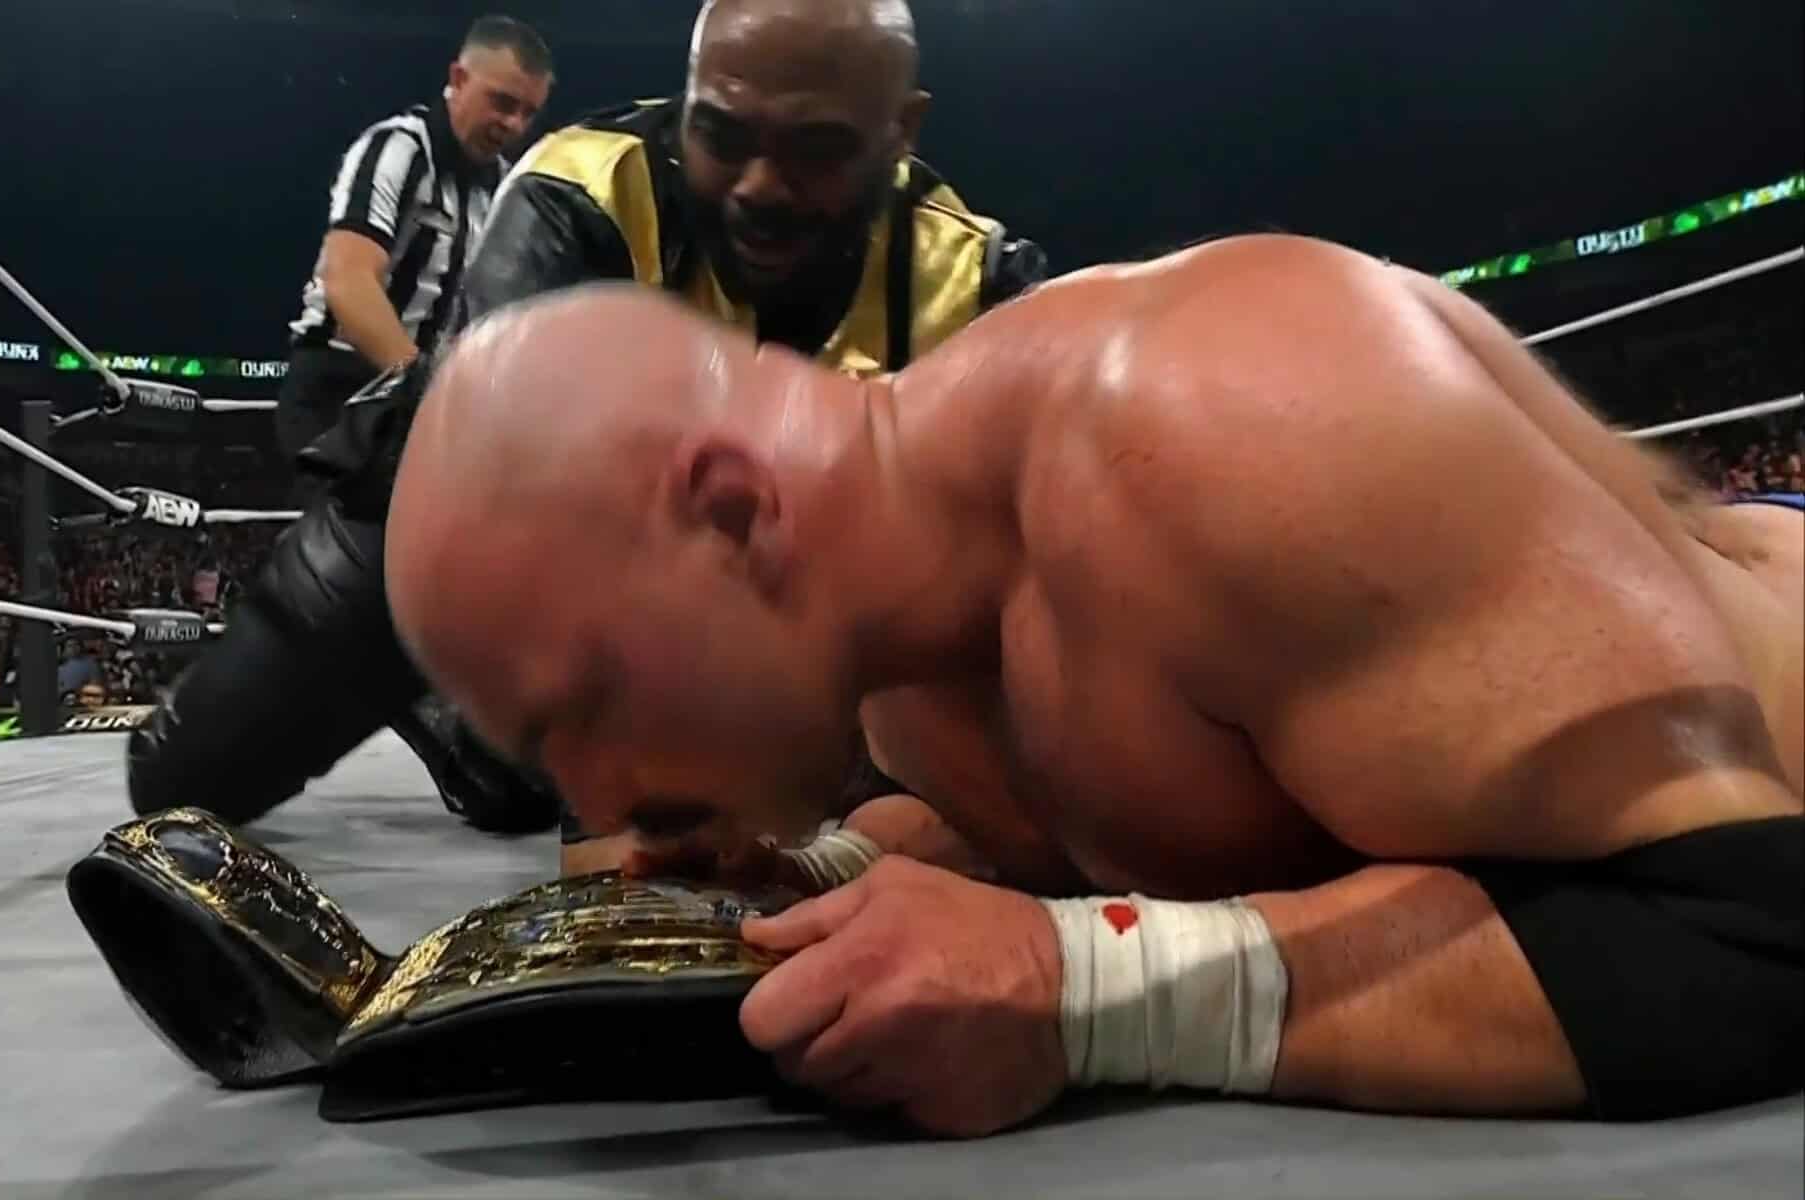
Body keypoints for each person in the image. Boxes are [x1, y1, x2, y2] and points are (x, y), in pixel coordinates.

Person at [380, 238, 1804, 1136]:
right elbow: (1147, 816)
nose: (598, 797)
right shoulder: (898, 666)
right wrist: (821, 876)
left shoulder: (1222, 423)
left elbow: (1752, 931)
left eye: (583, 708)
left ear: (737, 513)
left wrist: (1093, 988)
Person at [126, 0, 1047, 845]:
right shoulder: (582, 190)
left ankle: (486, 732)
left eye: (815, 146)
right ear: (688, 100)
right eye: (722, 134)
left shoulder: (968, 276)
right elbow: (525, 494)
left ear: (899, 131)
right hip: (465, 525)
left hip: (778, 600)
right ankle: (443, 675)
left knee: (516, 794)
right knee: (183, 779)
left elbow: (1009, 576)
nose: (760, 186)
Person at [275, 14, 555, 484]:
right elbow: (347, 279)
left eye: (529, 112)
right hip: (342, 389)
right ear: (458, 79)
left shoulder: (505, 188)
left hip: (423, 403)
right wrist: (423, 387)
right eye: (503, 103)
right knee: (347, 530)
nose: (513, 124)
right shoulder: (399, 148)